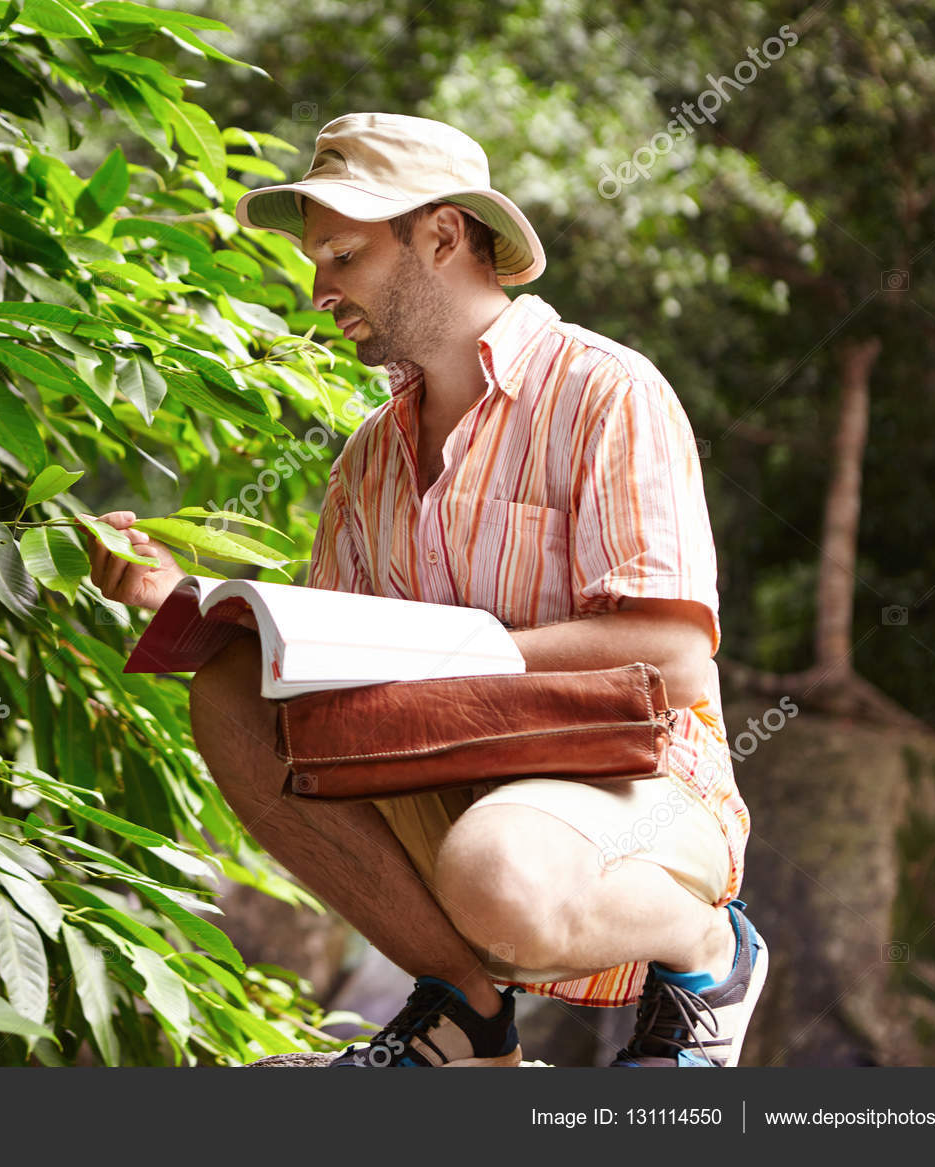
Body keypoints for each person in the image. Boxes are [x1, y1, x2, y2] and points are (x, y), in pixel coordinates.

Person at [85, 112, 766, 1068]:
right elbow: (319, 688)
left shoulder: (608, 391)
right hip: (456, 789)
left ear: (443, 235)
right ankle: (467, 1018)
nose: (320, 291)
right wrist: (174, 598)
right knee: (234, 691)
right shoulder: (367, 460)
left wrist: (461, 654)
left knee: (496, 867)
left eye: (343, 256)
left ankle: (711, 953)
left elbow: (676, 658)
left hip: (637, 787)